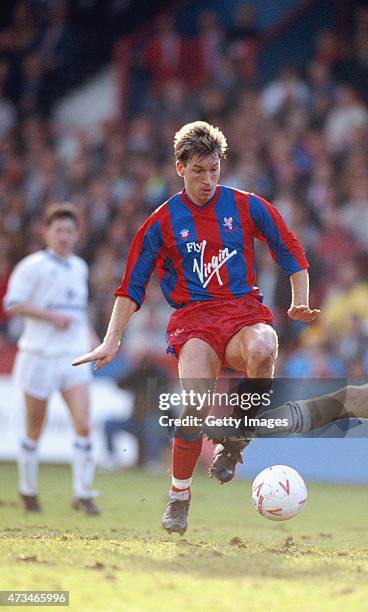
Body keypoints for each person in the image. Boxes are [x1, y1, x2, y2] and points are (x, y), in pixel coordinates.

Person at [72, 121, 320, 534]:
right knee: (196, 405)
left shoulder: (246, 205)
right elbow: (131, 284)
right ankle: (179, 496)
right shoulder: (161, 221)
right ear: (180, 168)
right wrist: (111, 339)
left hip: (242, 312)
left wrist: (300, 300)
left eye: (214, 170)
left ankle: (237, 441)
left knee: (264, 347)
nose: (208, 180)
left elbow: (290, 250)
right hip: (195, 321)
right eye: (198, 171)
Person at [3, 203, 100, 514]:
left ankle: (83, 493)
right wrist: (49, 316)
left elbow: (78, 312)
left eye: (69, 231)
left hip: (71, 357)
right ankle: (28, 490)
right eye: (58, 230)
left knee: (84, 424)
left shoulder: (79, 267)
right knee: (35, 427)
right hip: (38, 355)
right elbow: (12, 304)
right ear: (46, 232)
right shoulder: (32, 266)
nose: (64, 236)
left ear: (77, 235)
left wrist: (95, 341)